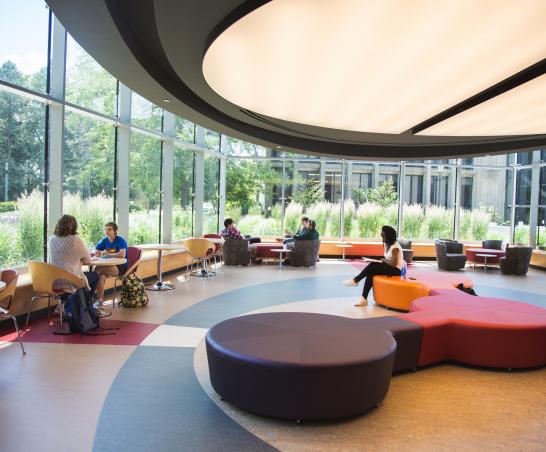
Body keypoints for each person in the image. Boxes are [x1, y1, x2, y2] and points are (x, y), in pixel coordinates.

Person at [342, 225, 403, 306]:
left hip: (396, 270)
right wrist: (382, 260)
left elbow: (394, 264)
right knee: (371, 272)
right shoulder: (387, 244)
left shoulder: (395, 247)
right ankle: (364, 299)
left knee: (373, 266)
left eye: (383, 235)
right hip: (389, 267)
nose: (382, 237)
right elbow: (387, 259)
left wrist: (383, 260)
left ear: (388, 236)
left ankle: (356, 280)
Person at [49, 214, 98, 305]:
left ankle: (64, 304)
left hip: (54, 280)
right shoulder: (75, 239)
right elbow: (88, 261)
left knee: (86, 277)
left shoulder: (51, 239)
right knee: (95, 276)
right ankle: (85, 305)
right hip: (70, 280)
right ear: (74, 226)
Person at [93, 222, 128, 306]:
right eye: (105, 229)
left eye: (109, 229)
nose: (107, 231)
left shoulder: (120, 240)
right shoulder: (104, 240)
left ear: (115, 231)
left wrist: (108, 254)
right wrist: (97, 252)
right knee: (101, 277)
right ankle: (99, 301)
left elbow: (122, 254)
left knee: (97, 270)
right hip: (107, 267)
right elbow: (94, 250)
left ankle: (89, 293)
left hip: (119, 268)